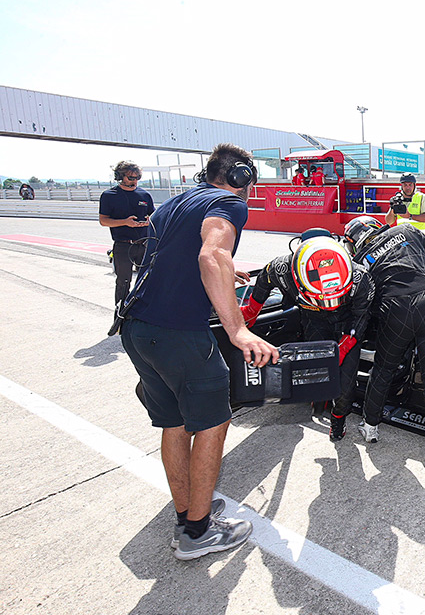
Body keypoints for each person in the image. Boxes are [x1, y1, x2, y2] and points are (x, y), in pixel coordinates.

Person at [119, 143, 279, 561]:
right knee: (212, 421)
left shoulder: (177, 202)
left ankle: (188, 514)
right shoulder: (228, 202)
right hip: (179, 334)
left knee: (174, 423)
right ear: (240, 178)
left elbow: (183, 255)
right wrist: (238, 329)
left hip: (137, 328)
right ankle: (198, 533)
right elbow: (212, 255)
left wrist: (228, 272)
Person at [343, 216, 425, 485]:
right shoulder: (407, 230)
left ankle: (370, 427)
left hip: (395, 310)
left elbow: (365, 302)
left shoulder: (362, 261)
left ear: (355, 241)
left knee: (383, 370)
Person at [239, 233, 374, 439]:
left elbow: (361, 319)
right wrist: (251, 312)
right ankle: (319, 399)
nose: (330, 303)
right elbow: (263, 284)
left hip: (347, 323)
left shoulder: (361, 278)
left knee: (346, 386)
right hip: (313, 319)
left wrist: (344, 346)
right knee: (316, 373)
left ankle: (338, 419)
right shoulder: (282, 269)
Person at [99, 161, 155, 308]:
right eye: (131, 178)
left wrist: (150, 220)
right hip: (123, 246)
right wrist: (125, 222)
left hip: (143, 244)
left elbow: (153, 215)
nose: (134, 181)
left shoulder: (145, 195)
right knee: (123, 282)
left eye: (137, 178)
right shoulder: (109, 195)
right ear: (120, 177)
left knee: (147, 281)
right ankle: (119, 316)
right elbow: (103, 221)